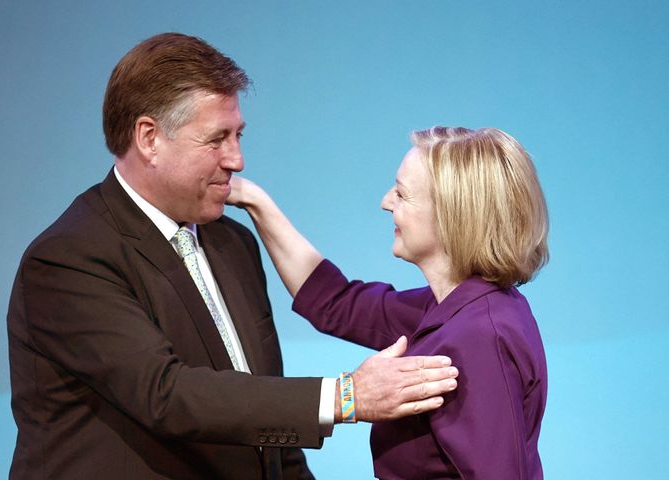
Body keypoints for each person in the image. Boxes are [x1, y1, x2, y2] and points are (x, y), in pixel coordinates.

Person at [6, 33, 459, 480]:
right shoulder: (70, 259)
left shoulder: (232, 244)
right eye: (216, 139)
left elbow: (267, 427)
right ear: (149, 139)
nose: (237, 159)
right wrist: (346, 397)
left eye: (238, 135)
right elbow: (166, 395)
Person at [228, 126, 549, 479]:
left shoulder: (479, 336)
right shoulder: (451, 308)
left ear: (452, 214)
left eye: (402, 193)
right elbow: (335, 302)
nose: (386, 202)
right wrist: (254, 201)